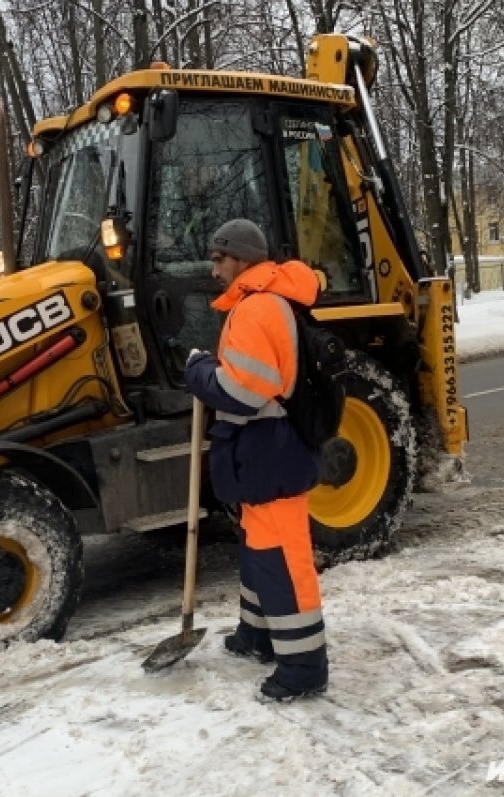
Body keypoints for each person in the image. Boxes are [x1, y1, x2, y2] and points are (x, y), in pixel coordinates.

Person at [183, 218, 328, 700]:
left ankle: (303, 666)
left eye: (220, 257)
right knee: (260, 553)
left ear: (243, 258)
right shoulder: (260, 303)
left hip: (272, 451)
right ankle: (257, 635)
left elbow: (241, 393)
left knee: (283, 562)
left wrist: (199, 369)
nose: (214, 267)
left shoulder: (257, 309)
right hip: (265, 452)